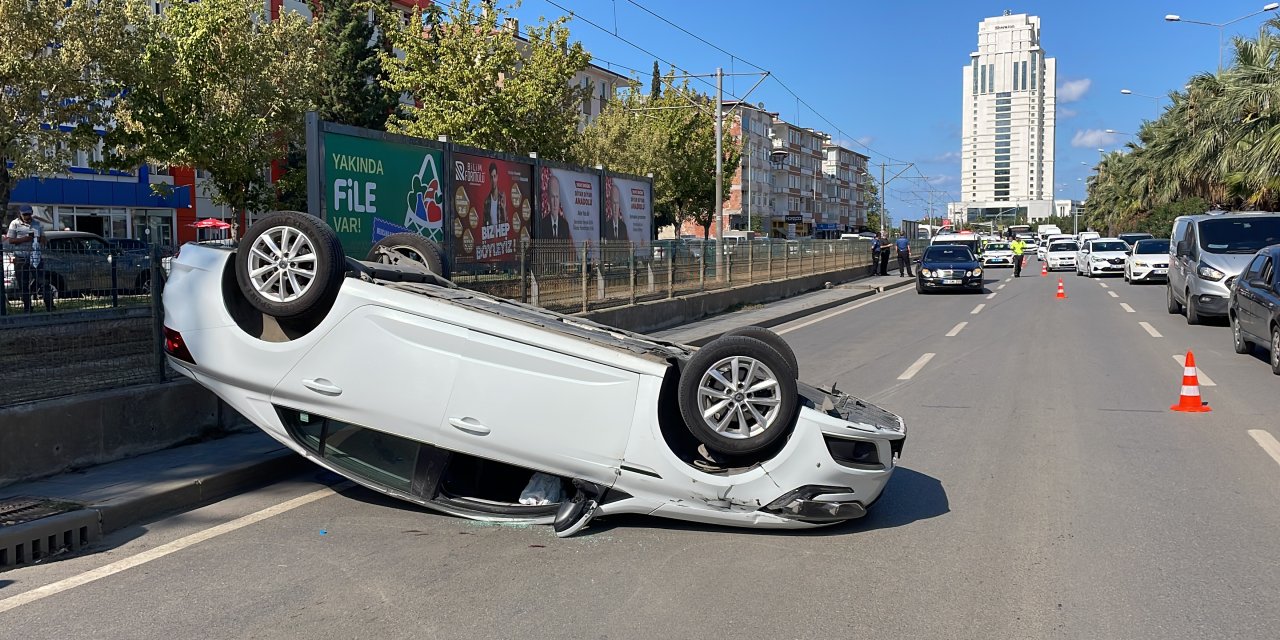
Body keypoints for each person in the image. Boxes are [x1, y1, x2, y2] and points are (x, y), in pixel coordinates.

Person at [5, 205, 54, 313]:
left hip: (35, 257)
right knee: (23, 284)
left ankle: (50, 306)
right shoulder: (15, 223)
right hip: (21, 258)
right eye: (25, 214)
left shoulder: (37, 223)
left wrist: (41, 239)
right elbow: (11, 240)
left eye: (29, 214)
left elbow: (44, 238)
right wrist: (24, 239)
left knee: (43, 281)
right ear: (20, 214)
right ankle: (27, 308)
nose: (27, 217)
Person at [483, 162, 507, 227]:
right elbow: (485, 224)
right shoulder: (486, 201)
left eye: (494, 176)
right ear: (489, 178)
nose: (493, 180)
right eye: (491, 177)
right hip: (490, 236)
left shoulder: (502, 197)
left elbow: (506, 223)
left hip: (501, 236)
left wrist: (504, 209)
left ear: (497, 176)